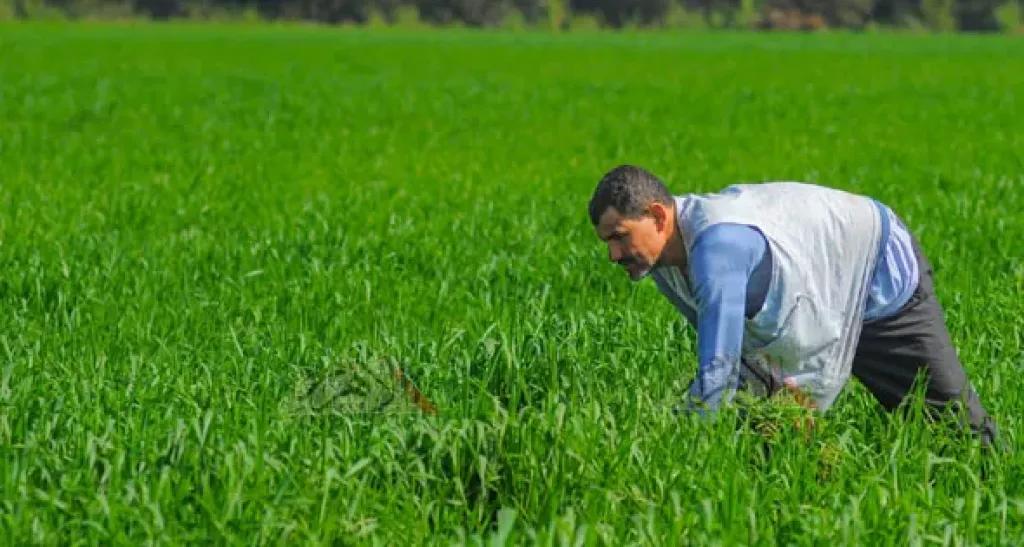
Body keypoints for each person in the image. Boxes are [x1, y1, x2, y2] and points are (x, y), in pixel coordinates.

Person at [588, 164, 999, 446]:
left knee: (953, 427)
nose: (614, 254)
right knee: (769, 444)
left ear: (659, 216)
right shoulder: (660, 261)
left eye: (620, 236)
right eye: (608, 242)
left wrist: (673, 446)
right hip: (809, 297)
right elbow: (732, 346)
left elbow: (718, 368)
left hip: (872, 269)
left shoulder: (717, 251)